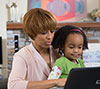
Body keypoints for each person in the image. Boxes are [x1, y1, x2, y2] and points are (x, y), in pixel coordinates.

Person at [8, 8, 66, 89]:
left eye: (52, 31)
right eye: (44, 33)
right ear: (32, 34)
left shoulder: (57, 52)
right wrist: (55, 82)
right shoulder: (22, 56)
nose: (49, 37)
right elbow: (13, 85)